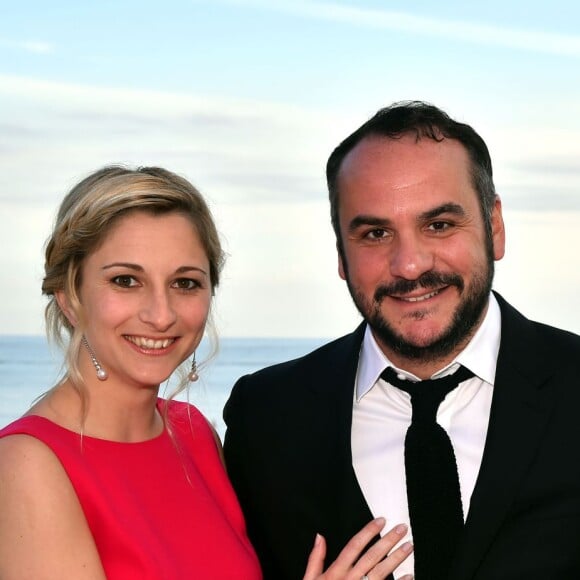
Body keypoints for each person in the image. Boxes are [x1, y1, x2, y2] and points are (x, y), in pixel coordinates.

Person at [223, 101, 580, 580]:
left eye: (439, 225)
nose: (409, 265)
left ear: (494, 227)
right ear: (341, 256)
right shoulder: (266, 419)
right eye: (375, 233)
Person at [0, 166, 413, 579]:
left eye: (185, 283)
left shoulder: (195, 435)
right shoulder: (27, 466)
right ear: (69, 298)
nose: (161, 315)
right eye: (126, 281)